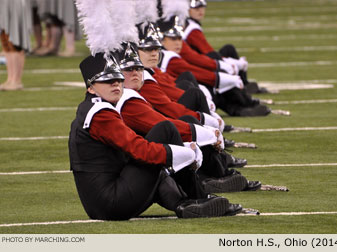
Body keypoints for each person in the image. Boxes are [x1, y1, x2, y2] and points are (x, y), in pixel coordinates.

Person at [69, 52, 242, 219]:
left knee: (158, 162)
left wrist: (178, 152)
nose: (115, 84)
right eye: (108, 81)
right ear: (91, 87)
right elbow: (138, 149)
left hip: (103, 202)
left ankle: (186, 204)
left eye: (118, 79)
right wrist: (184, 154)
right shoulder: (101, 113)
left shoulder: (95, 108)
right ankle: (200, 195)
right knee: (164, 132)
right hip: (111, 202)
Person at [114, 42, 261, 193]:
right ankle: (206, 182)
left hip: (139, 158)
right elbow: (165, 113)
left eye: (138, 68)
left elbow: (168, 99)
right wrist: (204, 130)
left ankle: (210, 175)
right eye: (147, 49)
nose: (154, 53)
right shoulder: (129, 98)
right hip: (134, 166)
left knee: (186, 120)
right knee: (183, 121)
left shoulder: (143, 79)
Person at [157, 16, 270, 117]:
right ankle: (243, 105)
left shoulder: (169, 53)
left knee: (213, 84)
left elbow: (196, 59)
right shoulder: (169, 58)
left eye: (179, 38)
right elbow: (195, 69)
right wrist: (225, 76)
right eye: (173, 39)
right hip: (173, 101)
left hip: (174, 96)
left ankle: (242, 107)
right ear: (162, 41)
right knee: (209, 86)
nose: (178, 42)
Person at [183, 0, 267, 94]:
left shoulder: (188, 24)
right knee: (229, 50)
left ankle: (243, 83)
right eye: (196, 9)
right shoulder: (193, 30)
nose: (200, 11)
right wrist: (230, 62)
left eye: (202, 8)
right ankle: (244, 86)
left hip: (196, 63)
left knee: (228, 50)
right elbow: (209, 53)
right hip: (198, 65)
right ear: (187, 10)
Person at [0, 0, 32, 91]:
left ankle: (16, 80)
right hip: (3, 5)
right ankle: (10, 79)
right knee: (6, 44)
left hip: (13, 4)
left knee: (14, 43)